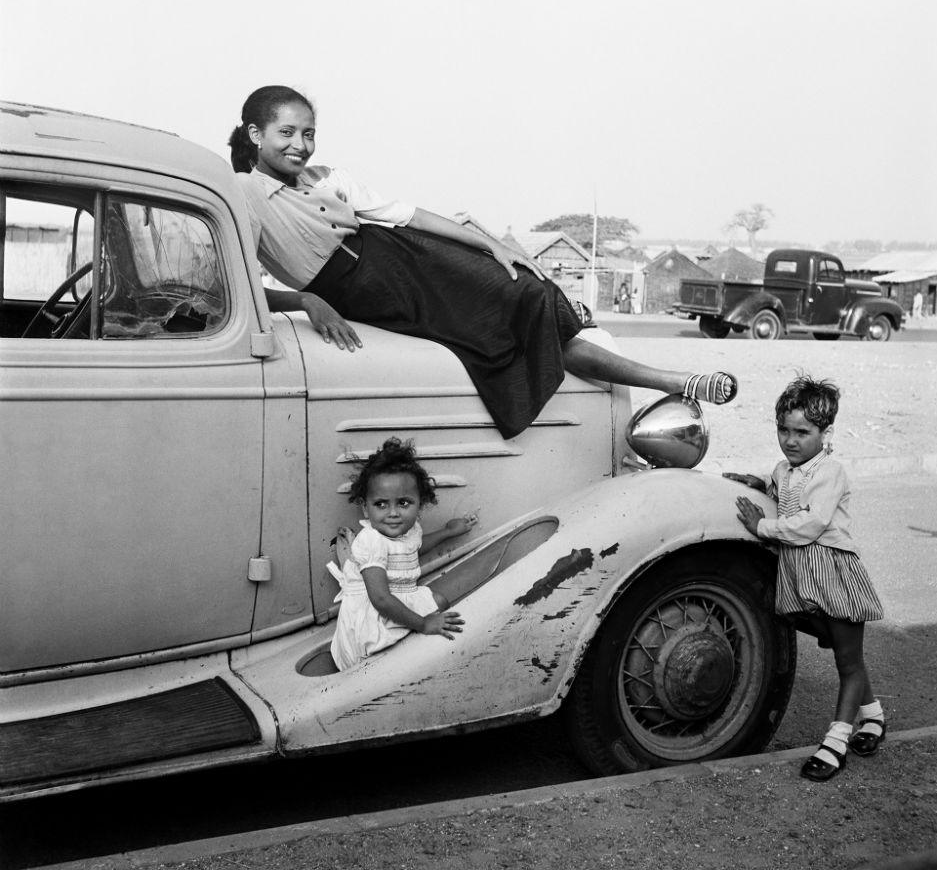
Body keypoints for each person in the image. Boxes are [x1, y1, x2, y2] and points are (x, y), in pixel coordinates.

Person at [227, 85, 738, 439]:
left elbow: (406, 215)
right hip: (364, 294)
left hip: (408, 259)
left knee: (530, 294)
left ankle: (675, 382)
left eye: (308, 133)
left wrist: (489, 244)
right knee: (501, 341)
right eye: (287, 133)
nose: (300, 145)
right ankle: (669, 381)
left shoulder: (328, 174)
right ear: (255, 135)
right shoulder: (243, 192)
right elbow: (244, 283)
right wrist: (305, 299)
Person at [725, 376, 885, 783]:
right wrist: (759, 483)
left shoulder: (831, 473)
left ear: (825, 434)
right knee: (845, 652)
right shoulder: (784, 468)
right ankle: (874, 717)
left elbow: (810, 524)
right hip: (800, 578)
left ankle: (835, 744)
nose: (791, 441)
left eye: (802, 432)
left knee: (848, 662)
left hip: (832, 573)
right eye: (784, 430)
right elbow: (782, 489)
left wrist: (763, 526)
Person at [328, 438, 477, 670]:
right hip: (375, 615)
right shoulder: (372, 540)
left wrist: (448, 532)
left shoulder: (409, 532)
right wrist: (423, 623)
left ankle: (419, 652)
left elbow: (413, 549)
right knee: (393, 653)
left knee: (441, 601)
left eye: (404, 503)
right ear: (366, 508)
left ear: (420, 505)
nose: (393, 513)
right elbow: (380, 598)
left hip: (398, 599)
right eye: (381, 504)